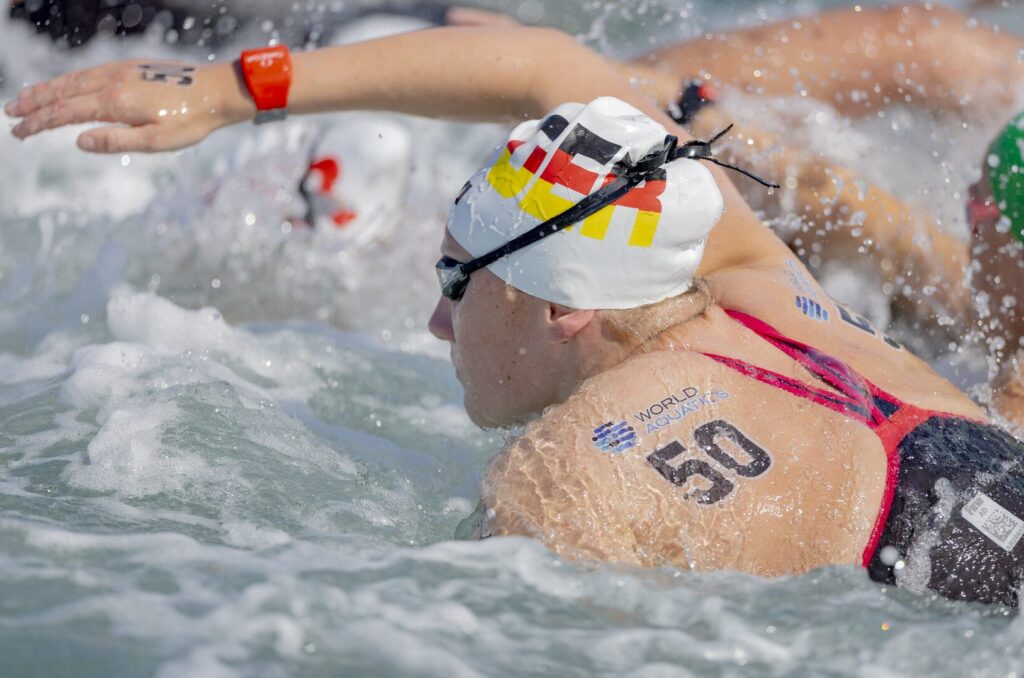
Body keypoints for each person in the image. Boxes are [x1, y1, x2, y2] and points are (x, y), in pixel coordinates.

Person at [8, 20, 1024, 605]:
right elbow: (549, 73)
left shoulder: (566, 480)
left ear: (564, 308)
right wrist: (233, 89)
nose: (435, 324)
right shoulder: (758, 280)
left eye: (457, 282)